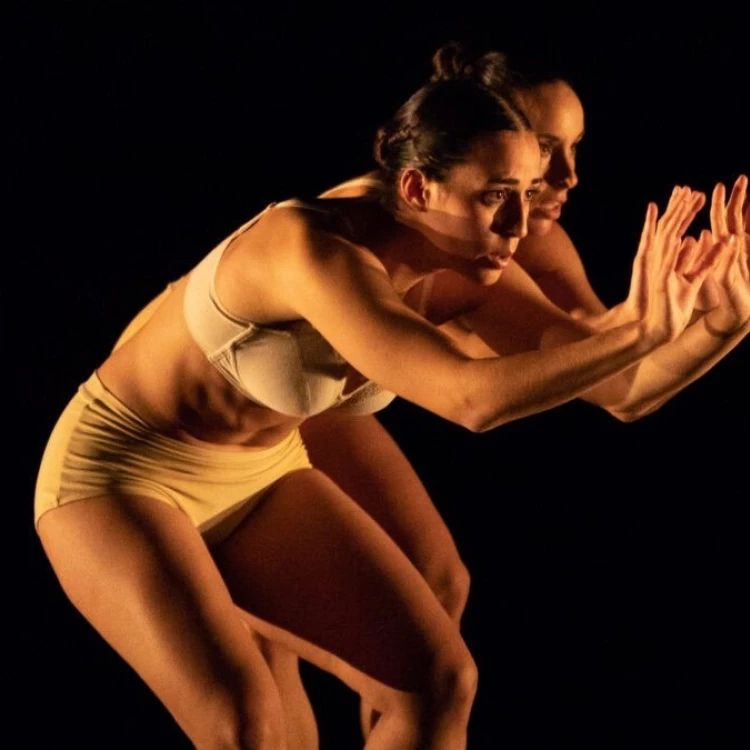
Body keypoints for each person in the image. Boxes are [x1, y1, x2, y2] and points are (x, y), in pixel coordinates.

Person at [34, 39, 744, 750]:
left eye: (526, 199)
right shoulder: (311, 246)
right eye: (499, 198)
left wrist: (721, 322)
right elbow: (470, 399)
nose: (521, 227)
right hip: (122, 473)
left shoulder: (477, 257)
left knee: (437, 683)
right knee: (248, 724)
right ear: (415, 189)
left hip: (260, 471)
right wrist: (642, 330)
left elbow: (620, 389)